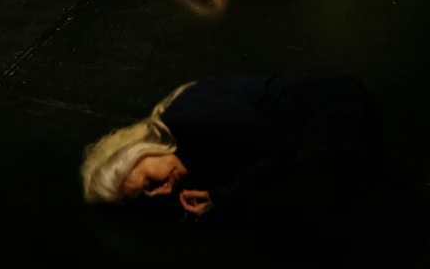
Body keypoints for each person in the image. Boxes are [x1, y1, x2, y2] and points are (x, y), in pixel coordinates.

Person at [80, 71, 385, 232]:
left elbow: (276, 150)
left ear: (142, 153)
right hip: (307, 132)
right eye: (147, 201)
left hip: (331, 106)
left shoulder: (185, 114)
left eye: (149, 183)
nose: (161, 194)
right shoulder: (185, 155)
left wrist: (223, 197)